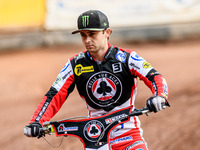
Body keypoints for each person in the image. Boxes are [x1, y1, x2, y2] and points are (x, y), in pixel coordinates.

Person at [24, 10, 169, 150]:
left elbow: (155, 77)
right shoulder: (75, 64)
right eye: (83, 35)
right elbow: (55, 94)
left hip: (128, 135)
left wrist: (159, 96)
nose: (87, 40)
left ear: (107, 32)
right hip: (95, 137)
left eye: (92, 34)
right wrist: (36, 121)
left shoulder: (127, 58)